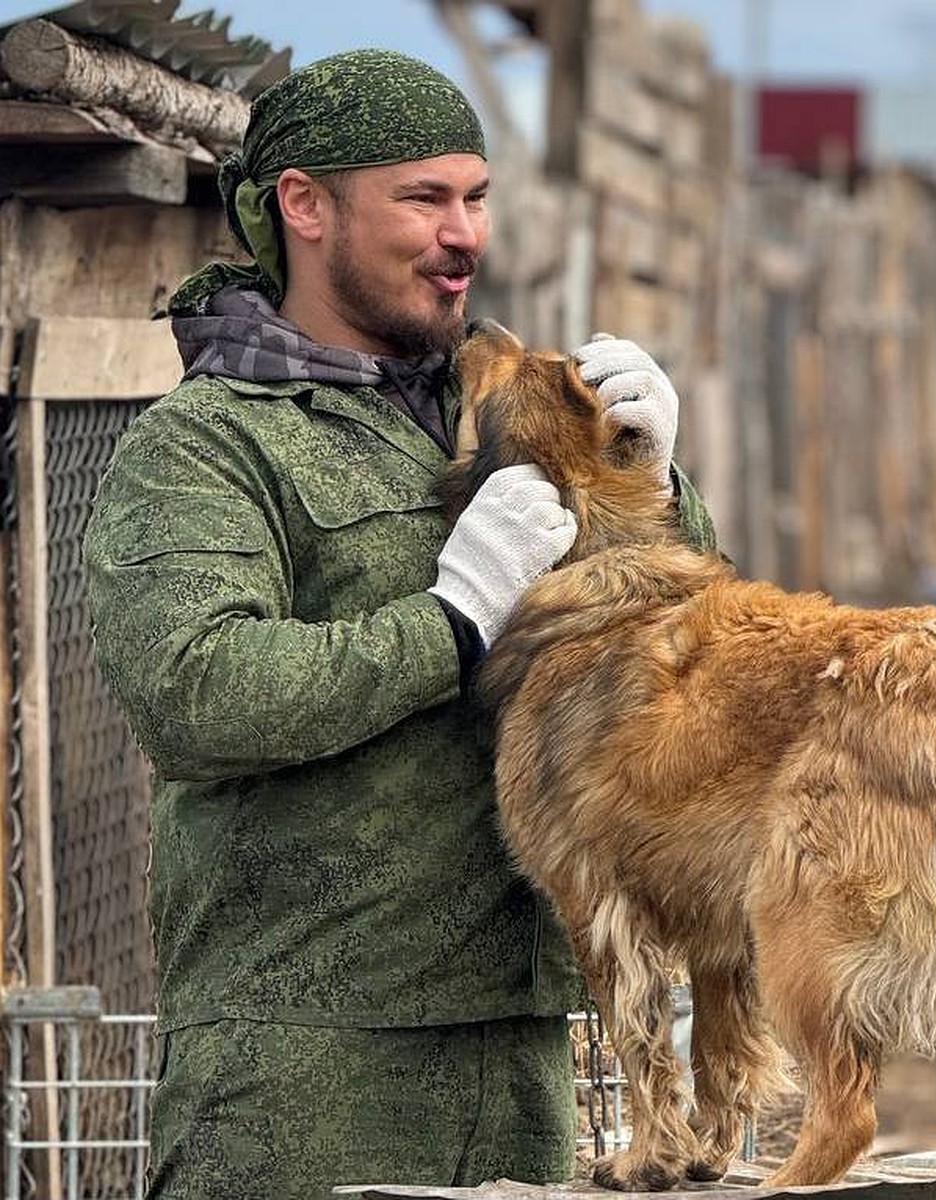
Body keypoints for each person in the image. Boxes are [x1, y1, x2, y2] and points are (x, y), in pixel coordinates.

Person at [83, 48, 716, 1200]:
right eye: (423, 198)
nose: (464, 233)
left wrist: (658, 491)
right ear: (306, 206)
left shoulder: (516, 404)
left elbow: (679, 665)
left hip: (529, 1041)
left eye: (476, 196)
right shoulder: (208, 444)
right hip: (304, 1067)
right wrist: (452, 621)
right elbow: (199, 693)